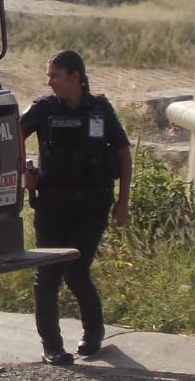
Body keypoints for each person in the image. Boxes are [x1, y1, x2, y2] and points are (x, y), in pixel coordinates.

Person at [18, 50, 132, 365]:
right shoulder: (43, 109)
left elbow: (123, 154)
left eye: (55, 75)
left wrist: (123, 202)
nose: (49, 81)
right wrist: (22, 173)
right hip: (52, 204)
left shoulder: (100, 109)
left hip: (92, 204)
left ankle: (93, 332)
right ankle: (52, 347)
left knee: (76, 269)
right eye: (49, 76)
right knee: (48, 274)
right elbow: (13, 134)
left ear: (75, 77)